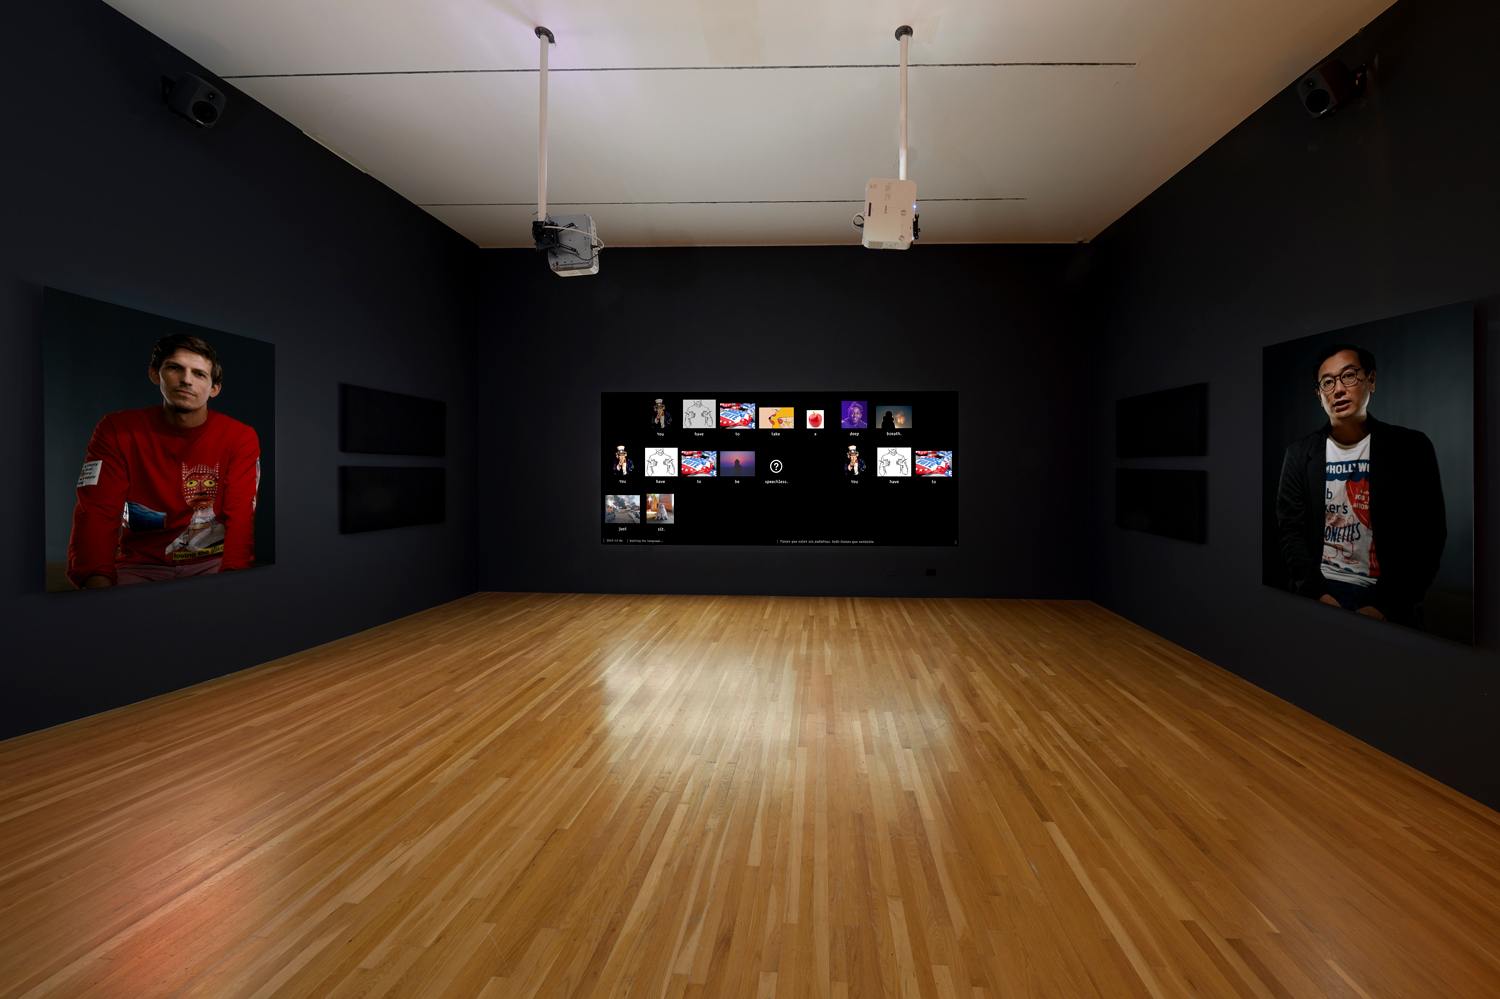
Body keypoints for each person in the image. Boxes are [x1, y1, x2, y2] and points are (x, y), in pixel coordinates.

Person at [67, 334, 260, 588]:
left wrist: (234, 579)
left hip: (212, 564)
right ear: (155, 374)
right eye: (175, 368)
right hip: (139, 565)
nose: (186, 380)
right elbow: (96, 510)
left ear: (215, 388)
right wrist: (95, 579)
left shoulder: (239, 436)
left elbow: (241, 514)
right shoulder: (116, 430)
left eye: (199, 374)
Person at [1275, 344, 1445, 626]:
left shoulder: (1411, 447)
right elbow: (1290, 530)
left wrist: (1388, 605)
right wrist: (1317, 594)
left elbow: (1429, 533)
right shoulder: (1298, 454)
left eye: (1349, 376)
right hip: (1321, 588)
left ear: (1371, 380)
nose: (1338, 389)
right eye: (1327, 383)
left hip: (1387, 595)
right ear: (1319, 395)